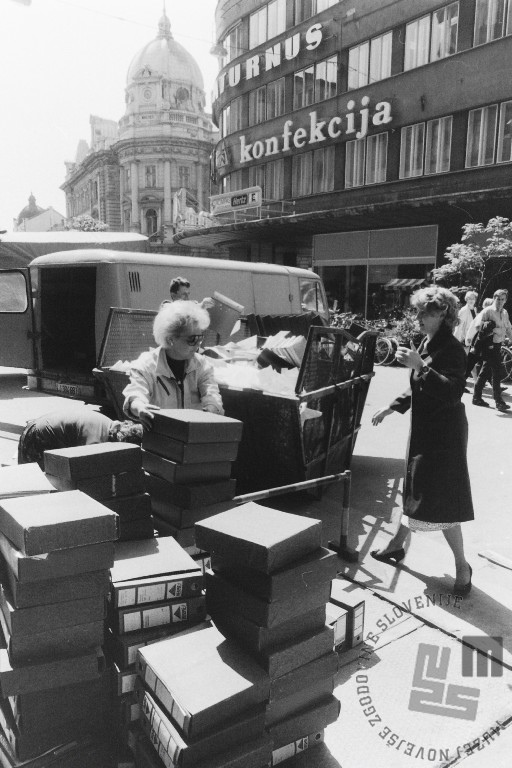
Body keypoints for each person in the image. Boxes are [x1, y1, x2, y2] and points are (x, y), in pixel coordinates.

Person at [371, 286, 474, 597]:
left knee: (440, 499)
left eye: (423, 312)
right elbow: (417, 386)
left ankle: (462, 566)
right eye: (416, 311)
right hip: (425, 431)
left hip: (443, 436)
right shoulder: (428, 341)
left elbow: (451, 390)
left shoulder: (453, 349)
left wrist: (420, 366)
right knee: (415, 489)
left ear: (442, 314)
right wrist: (393, 406)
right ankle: (396, 545)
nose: (416, 317)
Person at [123, 300, 224, 428]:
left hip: (194, 434)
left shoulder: (202, 365)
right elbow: (135, 394)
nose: (198, 344)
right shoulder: (146, 365)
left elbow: (212, 395)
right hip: (161, 435)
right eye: (192, 339)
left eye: (200, 337)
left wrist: (210, 410)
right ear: (170, 339)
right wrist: (140, 408)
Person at [18, 407, 143, 469]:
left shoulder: (108, 425)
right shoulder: (97, 439)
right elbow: (86, 466)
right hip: (38, 436)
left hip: (39, 429)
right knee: (36, 482)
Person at [469, 289, 512, 412]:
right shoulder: (488, 311)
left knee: (486, 371)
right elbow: (478, 326)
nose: (500, 301)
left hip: (497, 346)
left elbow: (508, 327)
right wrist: (494, 330)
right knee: (497, 372)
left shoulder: (504, 313)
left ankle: (476, 397)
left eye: (502, 299)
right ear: (494, 298)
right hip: (489, 345)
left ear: (505, 300)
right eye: (498, 299)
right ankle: (499, 402)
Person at [454, 290, 478, 385]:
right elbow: (458, 326)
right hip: (463, 340)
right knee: (463, 362)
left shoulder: (474, 309)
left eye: (473, 298)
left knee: (470, 361)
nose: (471, 300)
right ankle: (459, 382)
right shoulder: (464, 310)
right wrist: (457, 340)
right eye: (469, 298)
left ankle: (476, 381)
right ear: (466, 299)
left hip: (471, 339)